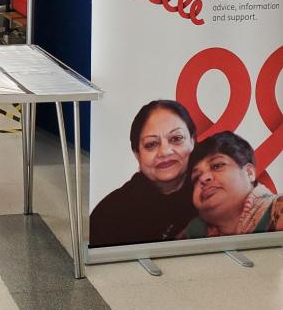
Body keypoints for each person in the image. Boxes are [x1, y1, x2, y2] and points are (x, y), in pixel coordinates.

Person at [89, 99, 196, 247]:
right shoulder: (109, 214)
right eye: (151, 144)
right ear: (137, 154)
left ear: (192, 141)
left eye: (176, 139)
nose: (165, 152)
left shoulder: (213, 192)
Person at [180, 131, 283, 238]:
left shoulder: (278, 209)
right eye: (196, 177)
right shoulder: (190, 234)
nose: (203, 178)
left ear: (249, 173)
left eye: (217, 166)